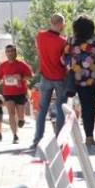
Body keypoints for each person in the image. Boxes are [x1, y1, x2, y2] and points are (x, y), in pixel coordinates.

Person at [63, 16, 95, 147]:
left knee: (83, 105)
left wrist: (73, 64)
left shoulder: (71, 41)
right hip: (93, 78)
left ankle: (81, 134)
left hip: (77, 78)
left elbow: (64, 58)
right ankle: (89, 136)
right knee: (90, 106)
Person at [32, 14, 69, 150]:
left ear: (51, 22)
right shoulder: (63, 41)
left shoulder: (40, 36)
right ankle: (59, 139)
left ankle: (37, 139)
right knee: (60, 109)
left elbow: (38, 50)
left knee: (42, 110)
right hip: (60, 77)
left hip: (45, 77)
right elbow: (64, 60)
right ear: (61, 24)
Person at [0, 45, 33, 143]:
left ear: (15, 52)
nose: (9, 53)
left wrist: (20, 78)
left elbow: (30, 76)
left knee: (20, 114)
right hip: (8, 93)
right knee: (11, 114)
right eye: (7, 51)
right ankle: (15, 135)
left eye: (11, 51)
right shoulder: (2, 65)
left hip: (20, 92)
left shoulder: (21, 64)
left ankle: (21, 119)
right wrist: (1, 79)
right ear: (6, 53)